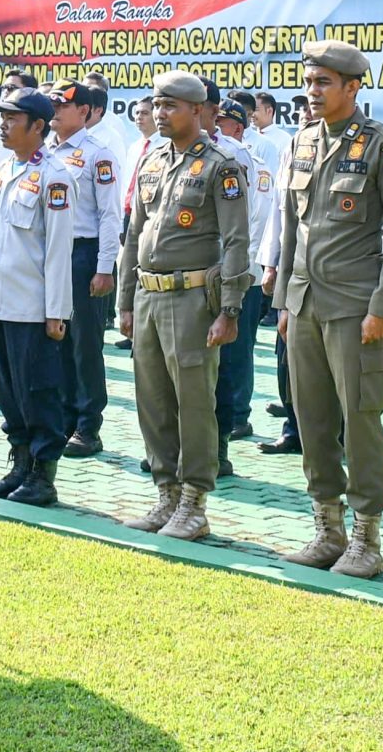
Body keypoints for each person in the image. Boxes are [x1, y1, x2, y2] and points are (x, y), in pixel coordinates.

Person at [271, 41, 383, 578]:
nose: (312, 92)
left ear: (352, 87)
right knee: (311, 418)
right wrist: (285, 301)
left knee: (360, 421)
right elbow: (291, 226)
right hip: (305, 302)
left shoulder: (382, 144)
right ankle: (327, 530)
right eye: (309, 82)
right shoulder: (302, 140)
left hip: (355, 306)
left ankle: (366, 540)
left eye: (323, 82)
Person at [116, 71, 249, 543]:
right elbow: (134, 235)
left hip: (192, 298)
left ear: (198, 110)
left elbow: (236, 241)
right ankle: (166, 494)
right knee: (152, 402)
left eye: (170, 105)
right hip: (149, 295)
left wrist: (229, 309)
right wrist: (124, 302)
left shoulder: (220, 165)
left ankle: (194, 501)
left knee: (194, 403)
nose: (160, 113)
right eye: (157, 104)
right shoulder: (152, 160)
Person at [0, 90, 77, 505]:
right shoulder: (4, 169)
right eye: (1, 117)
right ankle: (19, 465)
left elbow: (58, 249)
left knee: (38, 391)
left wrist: (56, 311)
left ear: (37, 126)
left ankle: (42, 476)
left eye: (12, 118)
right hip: (0, 302)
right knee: (7, 389)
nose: (2, 125)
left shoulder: (55, 175)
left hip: (33, 307)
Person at [46, 82, 123, 457]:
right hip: (51, 254)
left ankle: (88, 426)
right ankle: (63, 418)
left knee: (85, 344)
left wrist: (104, 266)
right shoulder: (44, 151)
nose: (55, 111)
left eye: (64, 105)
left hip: (83, 254)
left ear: (85, 111)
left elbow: (110, 215)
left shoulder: (98, 154)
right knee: (55, 337)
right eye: (53, 104)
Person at [210, 97, 274, 464]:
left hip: (241, 271)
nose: (215, 125)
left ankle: (238, 415)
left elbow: (253, 221)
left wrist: (243, 268)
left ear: (237, 126)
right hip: (212, 272)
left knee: (237, 349)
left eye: (221, 120)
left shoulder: (247, 161)